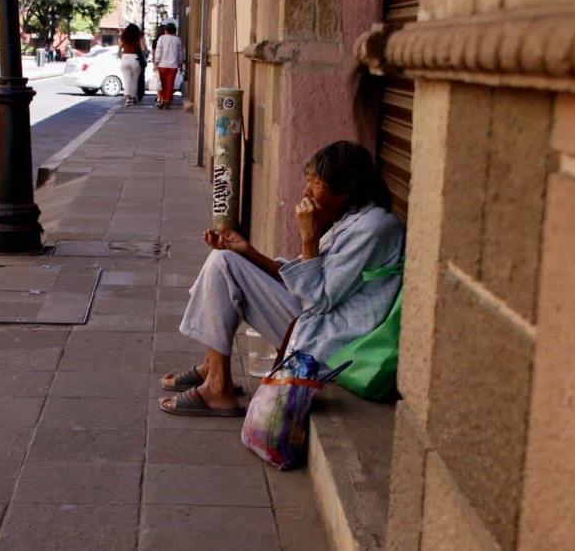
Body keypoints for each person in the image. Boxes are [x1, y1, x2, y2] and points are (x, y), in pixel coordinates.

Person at [159, 141, 405, 416]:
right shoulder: (353, 220)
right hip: (316, 319)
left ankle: (217, 387)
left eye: (316, 183)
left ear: (346, 190)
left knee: (222, 263)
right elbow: (302, 278)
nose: (306, 191)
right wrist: (248, 253)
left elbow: (316, 301)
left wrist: (308, 238)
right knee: (228, 260)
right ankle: (212, 366)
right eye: (308, 180)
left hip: (330, 341)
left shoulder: (374, 228)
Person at [153, 23, 184, 109]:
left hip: (162, 64)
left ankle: (162, 100)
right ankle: (167, 101)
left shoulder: (161, 38)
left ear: (165, 30)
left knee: (161, 84)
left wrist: (156, 62)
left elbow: (158, 51)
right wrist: (180, 63)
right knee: (170, 84)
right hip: (173, 66)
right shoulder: (178, 40)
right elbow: (180, 53)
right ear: (174, 30)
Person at [118, 23, 146, 105]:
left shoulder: (123, 38)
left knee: (126, 80)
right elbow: (143, 49)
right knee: (134, 80)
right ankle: (133, 97)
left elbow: (119, 51)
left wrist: (122, 57)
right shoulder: (138, 38)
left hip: (125, 58)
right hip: (135, 58)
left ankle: (127, 99)